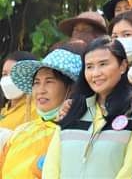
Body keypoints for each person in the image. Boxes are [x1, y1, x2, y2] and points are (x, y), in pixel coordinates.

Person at [43, 37, 132, 179]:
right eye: (89, 66)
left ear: (122, 66)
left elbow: (131, 168)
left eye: (103, 64)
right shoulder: (72, 111)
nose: (95, 73)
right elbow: (52, 166)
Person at [1, 45, 82, 178]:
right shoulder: (20, 132)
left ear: (71, 88)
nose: (41, 90)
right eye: (36, 82)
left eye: (49, 82)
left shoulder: (74, 134)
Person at [0, 52, 37, 132]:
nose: (8, 79)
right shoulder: (4, 110)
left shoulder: (35, 111)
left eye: (15, 75)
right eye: (5, 74)